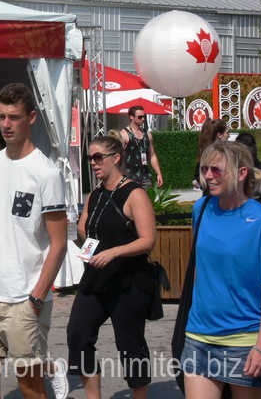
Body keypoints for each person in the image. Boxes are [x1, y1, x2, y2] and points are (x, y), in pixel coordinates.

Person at [0, 82, 69, 399]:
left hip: (25, 299)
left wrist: (36, 299)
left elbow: (59, 244)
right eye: (2, 117)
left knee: (30, 388)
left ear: (31, 117)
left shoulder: (46, 173)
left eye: (14, 117)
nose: (6, 125)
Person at [66, 135, 157, 399]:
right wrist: (76, 235)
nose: (93, 163)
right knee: (77, 335)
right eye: (90, 158)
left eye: (97, 157)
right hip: (96, 278)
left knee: (130, 344)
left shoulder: (135, 193)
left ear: (115, 158)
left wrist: (114, 252)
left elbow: (148, 240)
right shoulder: (95, 194)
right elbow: (86, 232)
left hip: (129, 280)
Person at [181, 141, 261, 397]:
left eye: (217, 170)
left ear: (241, 173)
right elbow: (198, 269)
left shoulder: (260, 219)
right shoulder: (202, 208)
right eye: (205, 169)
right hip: (199, 335)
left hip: (245, 341)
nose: (207, 176)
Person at [119, 106, 163, 189]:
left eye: (144, 117)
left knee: (146, 200)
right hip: (129, 176)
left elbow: (152, 155)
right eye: (140, 117)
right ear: (131, 117)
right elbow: (118, 156)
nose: (143, 119)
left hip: (145, 176)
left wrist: (159, 173)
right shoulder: (124, 134)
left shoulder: (147, 135)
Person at [193, 119, 230, 191]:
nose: (228, 136)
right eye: (227, 133)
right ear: (219, 135)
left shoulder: (205, 153)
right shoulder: (219, 155)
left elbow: (197, 174)